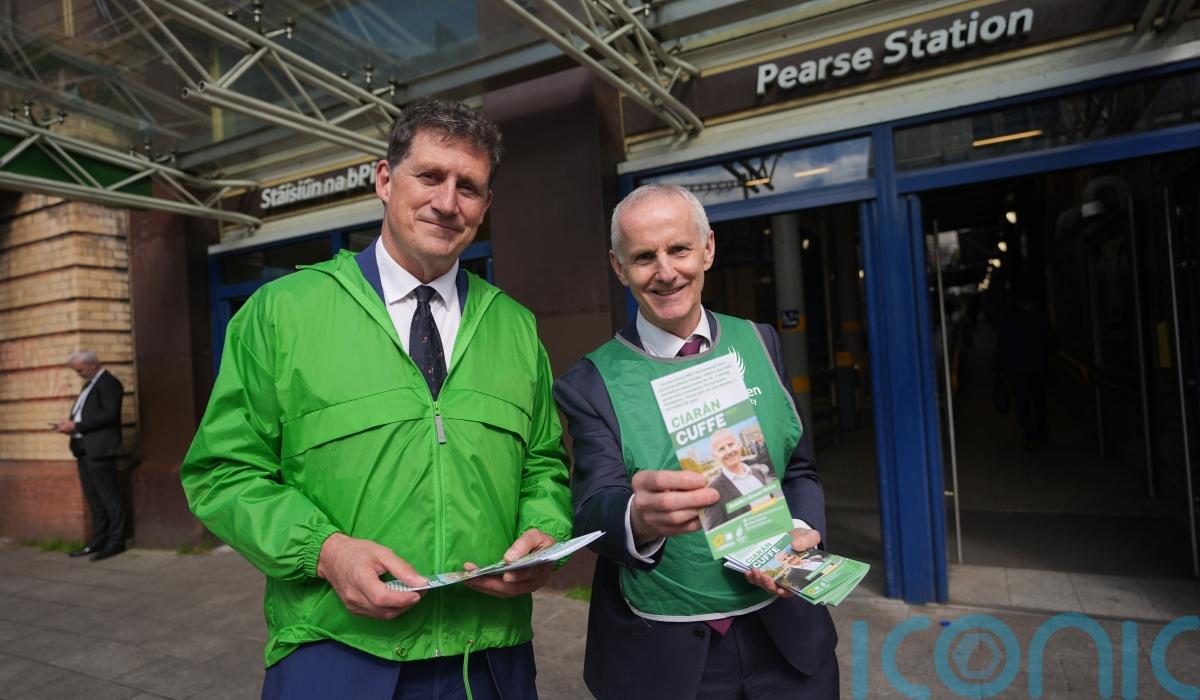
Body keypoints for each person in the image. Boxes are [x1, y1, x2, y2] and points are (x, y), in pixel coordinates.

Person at [181, 99, 571, 700]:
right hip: (334, 651)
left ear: (486, 204)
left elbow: (543, 463)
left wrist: (545, 531)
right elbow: (222, 472)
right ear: (385, 180)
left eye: (468, 186)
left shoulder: (515, 327)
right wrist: (326, 552)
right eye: (430, 176)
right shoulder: (283, 313)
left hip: (490, 660)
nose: (448, 202)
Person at [555, 184, 838, 699]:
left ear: (708, 249)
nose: (665, 272)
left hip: (787, 640)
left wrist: (798, 531)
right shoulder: (590, 382)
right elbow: (594, 505)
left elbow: (798, 468)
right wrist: (638, 518)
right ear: (619, 268)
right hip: (669, 658)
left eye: (679, 249)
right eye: (644, 257)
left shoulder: (760, 341)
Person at [54, 350, 125, 561]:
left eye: (80, 370)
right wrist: (68, 426)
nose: (79, 374)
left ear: (93, 364)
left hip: (100, 450)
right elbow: (84, 414)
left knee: (110, 498)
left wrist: (76, 426)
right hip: (84, 449)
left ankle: (116, 541)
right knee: (94, 498)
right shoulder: (89, 386)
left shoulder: (110, 383)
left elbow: (110, 415)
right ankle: (98, 540)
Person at [702, 428, 775, 530]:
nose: (729, 451)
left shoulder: (757, 473)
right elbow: (716, 534)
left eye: (731, 444)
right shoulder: (714, 491)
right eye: (721, 449)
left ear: (738, 444)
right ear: (714, 456)